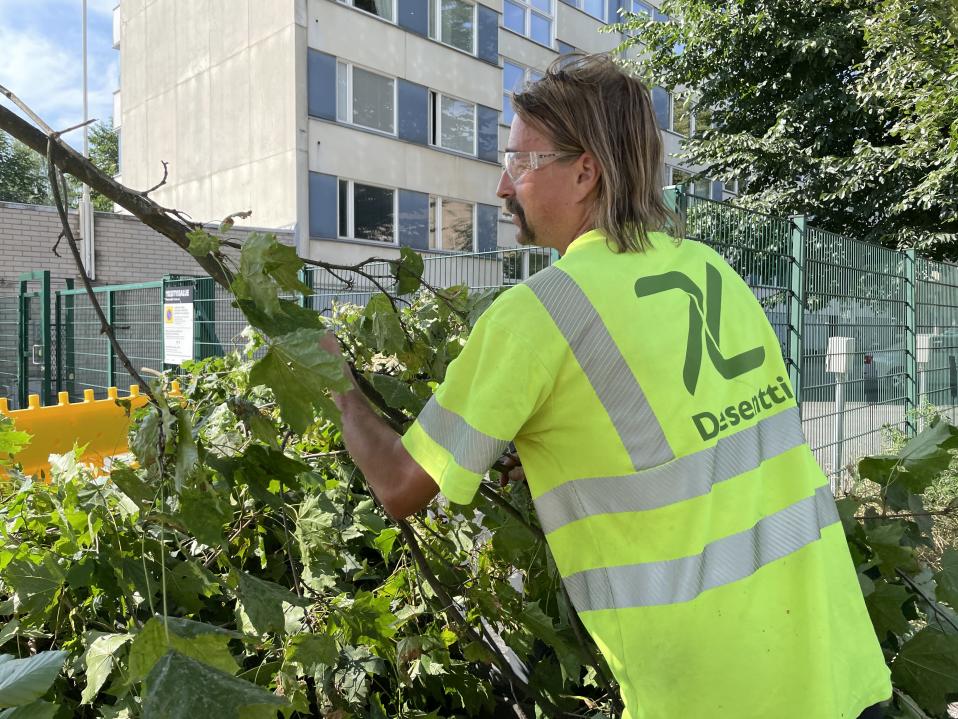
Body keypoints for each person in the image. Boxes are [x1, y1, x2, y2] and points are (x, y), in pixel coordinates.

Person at [320, 54, 892, 719]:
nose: (506, 188)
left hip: (715, 696)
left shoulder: (539, 314)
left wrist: (333, 375)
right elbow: (686, 430)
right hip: (838, 668)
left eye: (521, 164)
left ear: (585, 170)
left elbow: (398, 484)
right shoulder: (711, 270)